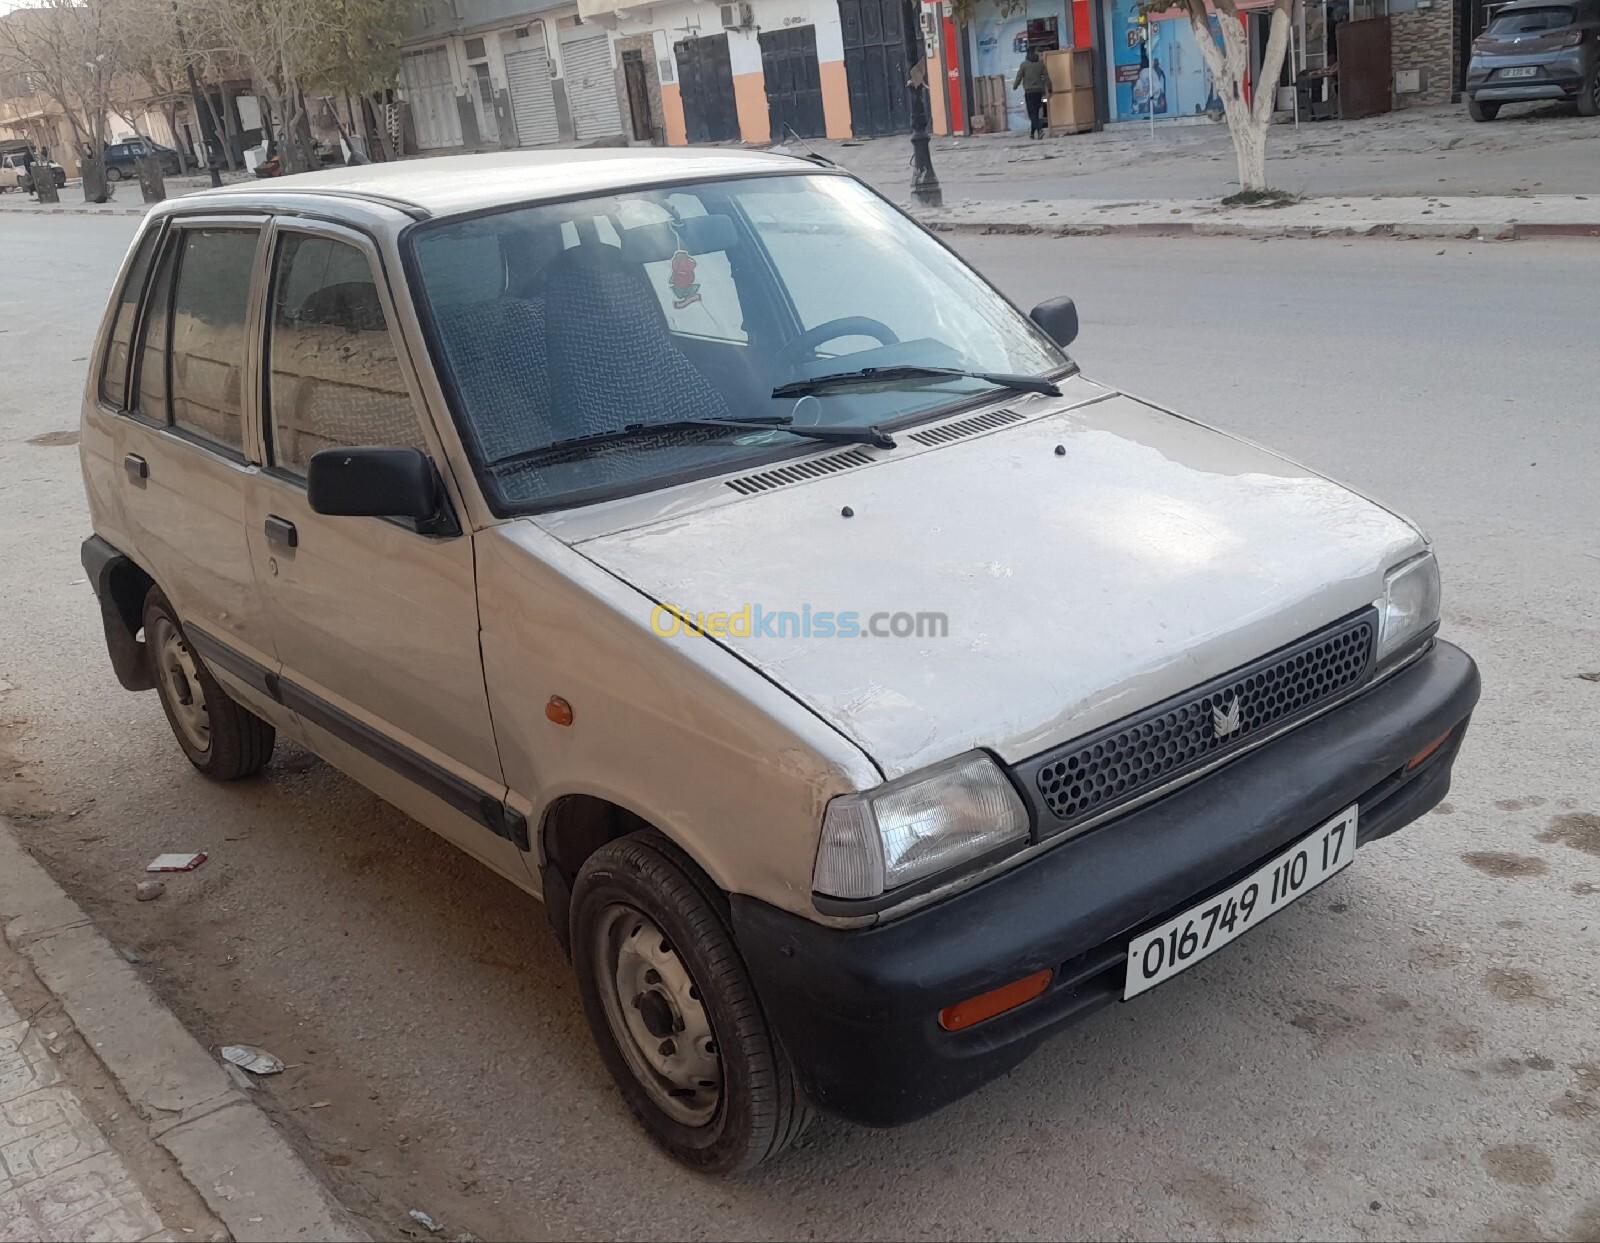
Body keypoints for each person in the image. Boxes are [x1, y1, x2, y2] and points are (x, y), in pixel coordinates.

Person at [1014, 46, 1050, 139]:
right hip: (1038, 91)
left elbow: (1019, 77)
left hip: (1029, 92)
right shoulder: (1041, 64)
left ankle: (1040, 130)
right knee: (1036, 112)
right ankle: (1032, 133)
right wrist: (1050, 87)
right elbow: (1046, 77)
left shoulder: (1024, 65)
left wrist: (1015, 86)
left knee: (1032, 114)